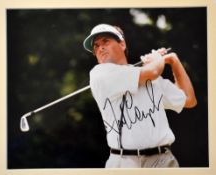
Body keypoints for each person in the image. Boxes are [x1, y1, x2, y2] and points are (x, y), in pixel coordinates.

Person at [83, 24, 197, 168]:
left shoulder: (150, 76)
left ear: (122, 44)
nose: (100, 48)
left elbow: (189, 100)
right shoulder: (99, 74)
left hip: (163, 161)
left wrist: (173, 61)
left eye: (105, 41)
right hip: (123, 162)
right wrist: (157, 60)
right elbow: (154, 71)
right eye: (96, 46)